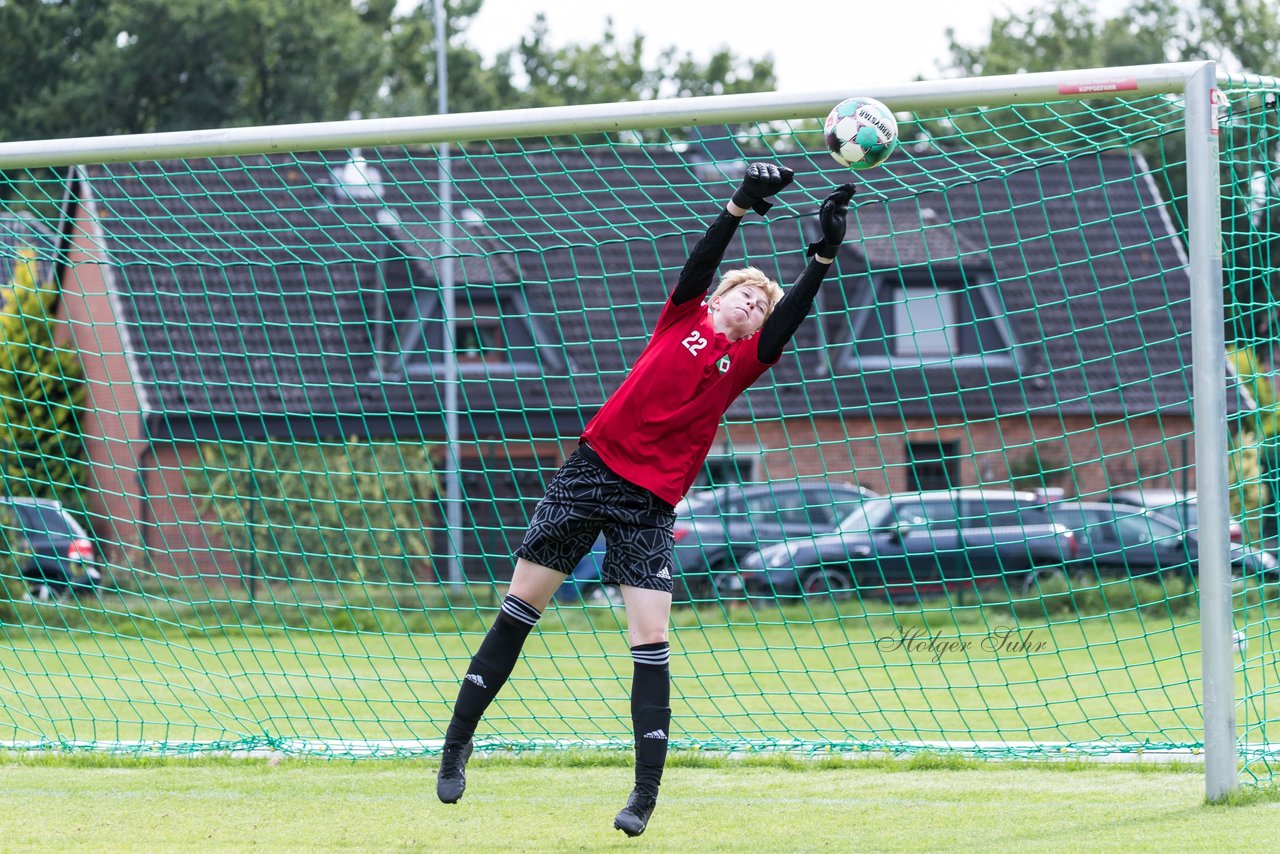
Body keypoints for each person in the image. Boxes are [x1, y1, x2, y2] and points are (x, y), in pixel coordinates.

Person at [436, 162, 854, 837]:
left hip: (650, 504)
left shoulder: (742, 362)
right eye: (745, 293)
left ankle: (644, 796)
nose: (753, 303)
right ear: (718, 300)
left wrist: (823, 257)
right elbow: (702, 259)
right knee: (519, 610)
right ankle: (457, 743)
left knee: (651, 639)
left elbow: (792, 318)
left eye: (760, 305)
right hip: (591, 473)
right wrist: (741, 203)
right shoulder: (681, 318)